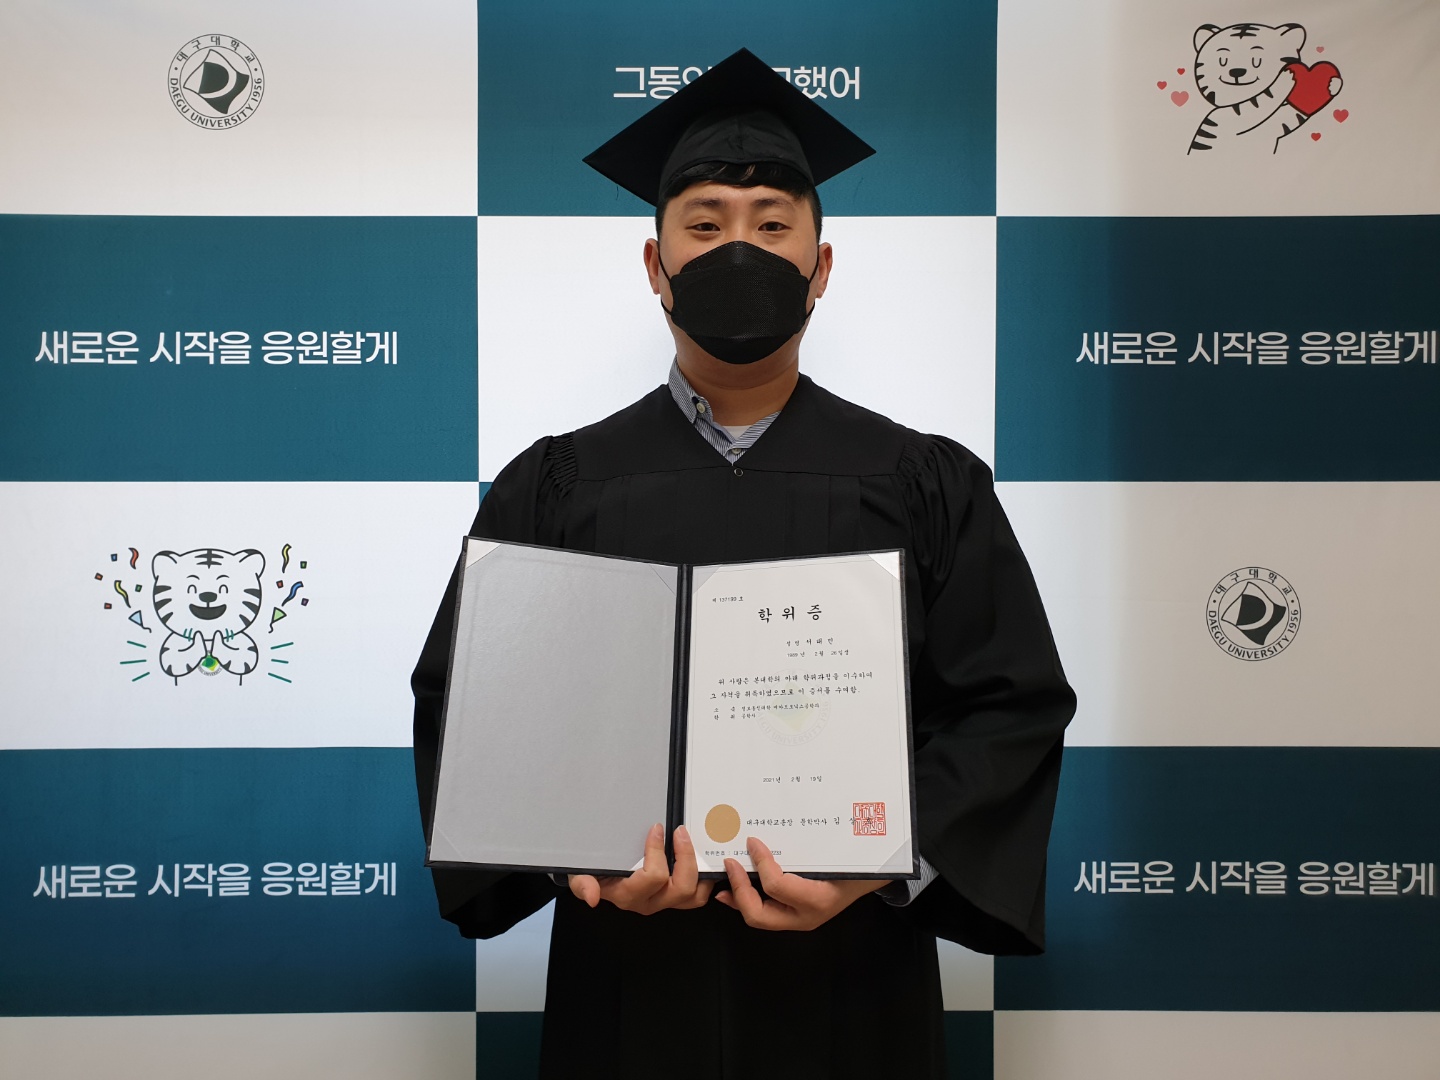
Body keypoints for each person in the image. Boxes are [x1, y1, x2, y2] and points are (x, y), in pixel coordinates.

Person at [412, 48, 1075, 1078]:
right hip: (627, 973)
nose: (739, 249)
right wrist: (572, 864)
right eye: (706, 224)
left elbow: (1007, 705)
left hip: (855, 977)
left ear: (821, 266)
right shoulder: (557, 484)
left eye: (771, 226)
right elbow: (472, 704)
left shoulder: (922, 481)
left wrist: (879, 870)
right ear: (655, 264)